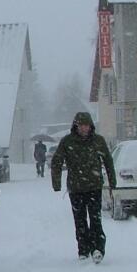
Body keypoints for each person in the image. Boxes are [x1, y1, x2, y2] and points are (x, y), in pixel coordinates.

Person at [50, 111, 116, 263]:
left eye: (87, 125)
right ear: (76, 126)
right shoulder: (68, 142)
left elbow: (108, 161)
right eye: (81, 125)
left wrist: (112, 181)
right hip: (76, 188)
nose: (84, 128)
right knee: (80, 221)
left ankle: (98, 249)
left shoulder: (98, 141)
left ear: (90, 126)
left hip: (94, 186)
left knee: (95, 219)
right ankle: (83, 250)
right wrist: (56, 183)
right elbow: (57, 161)